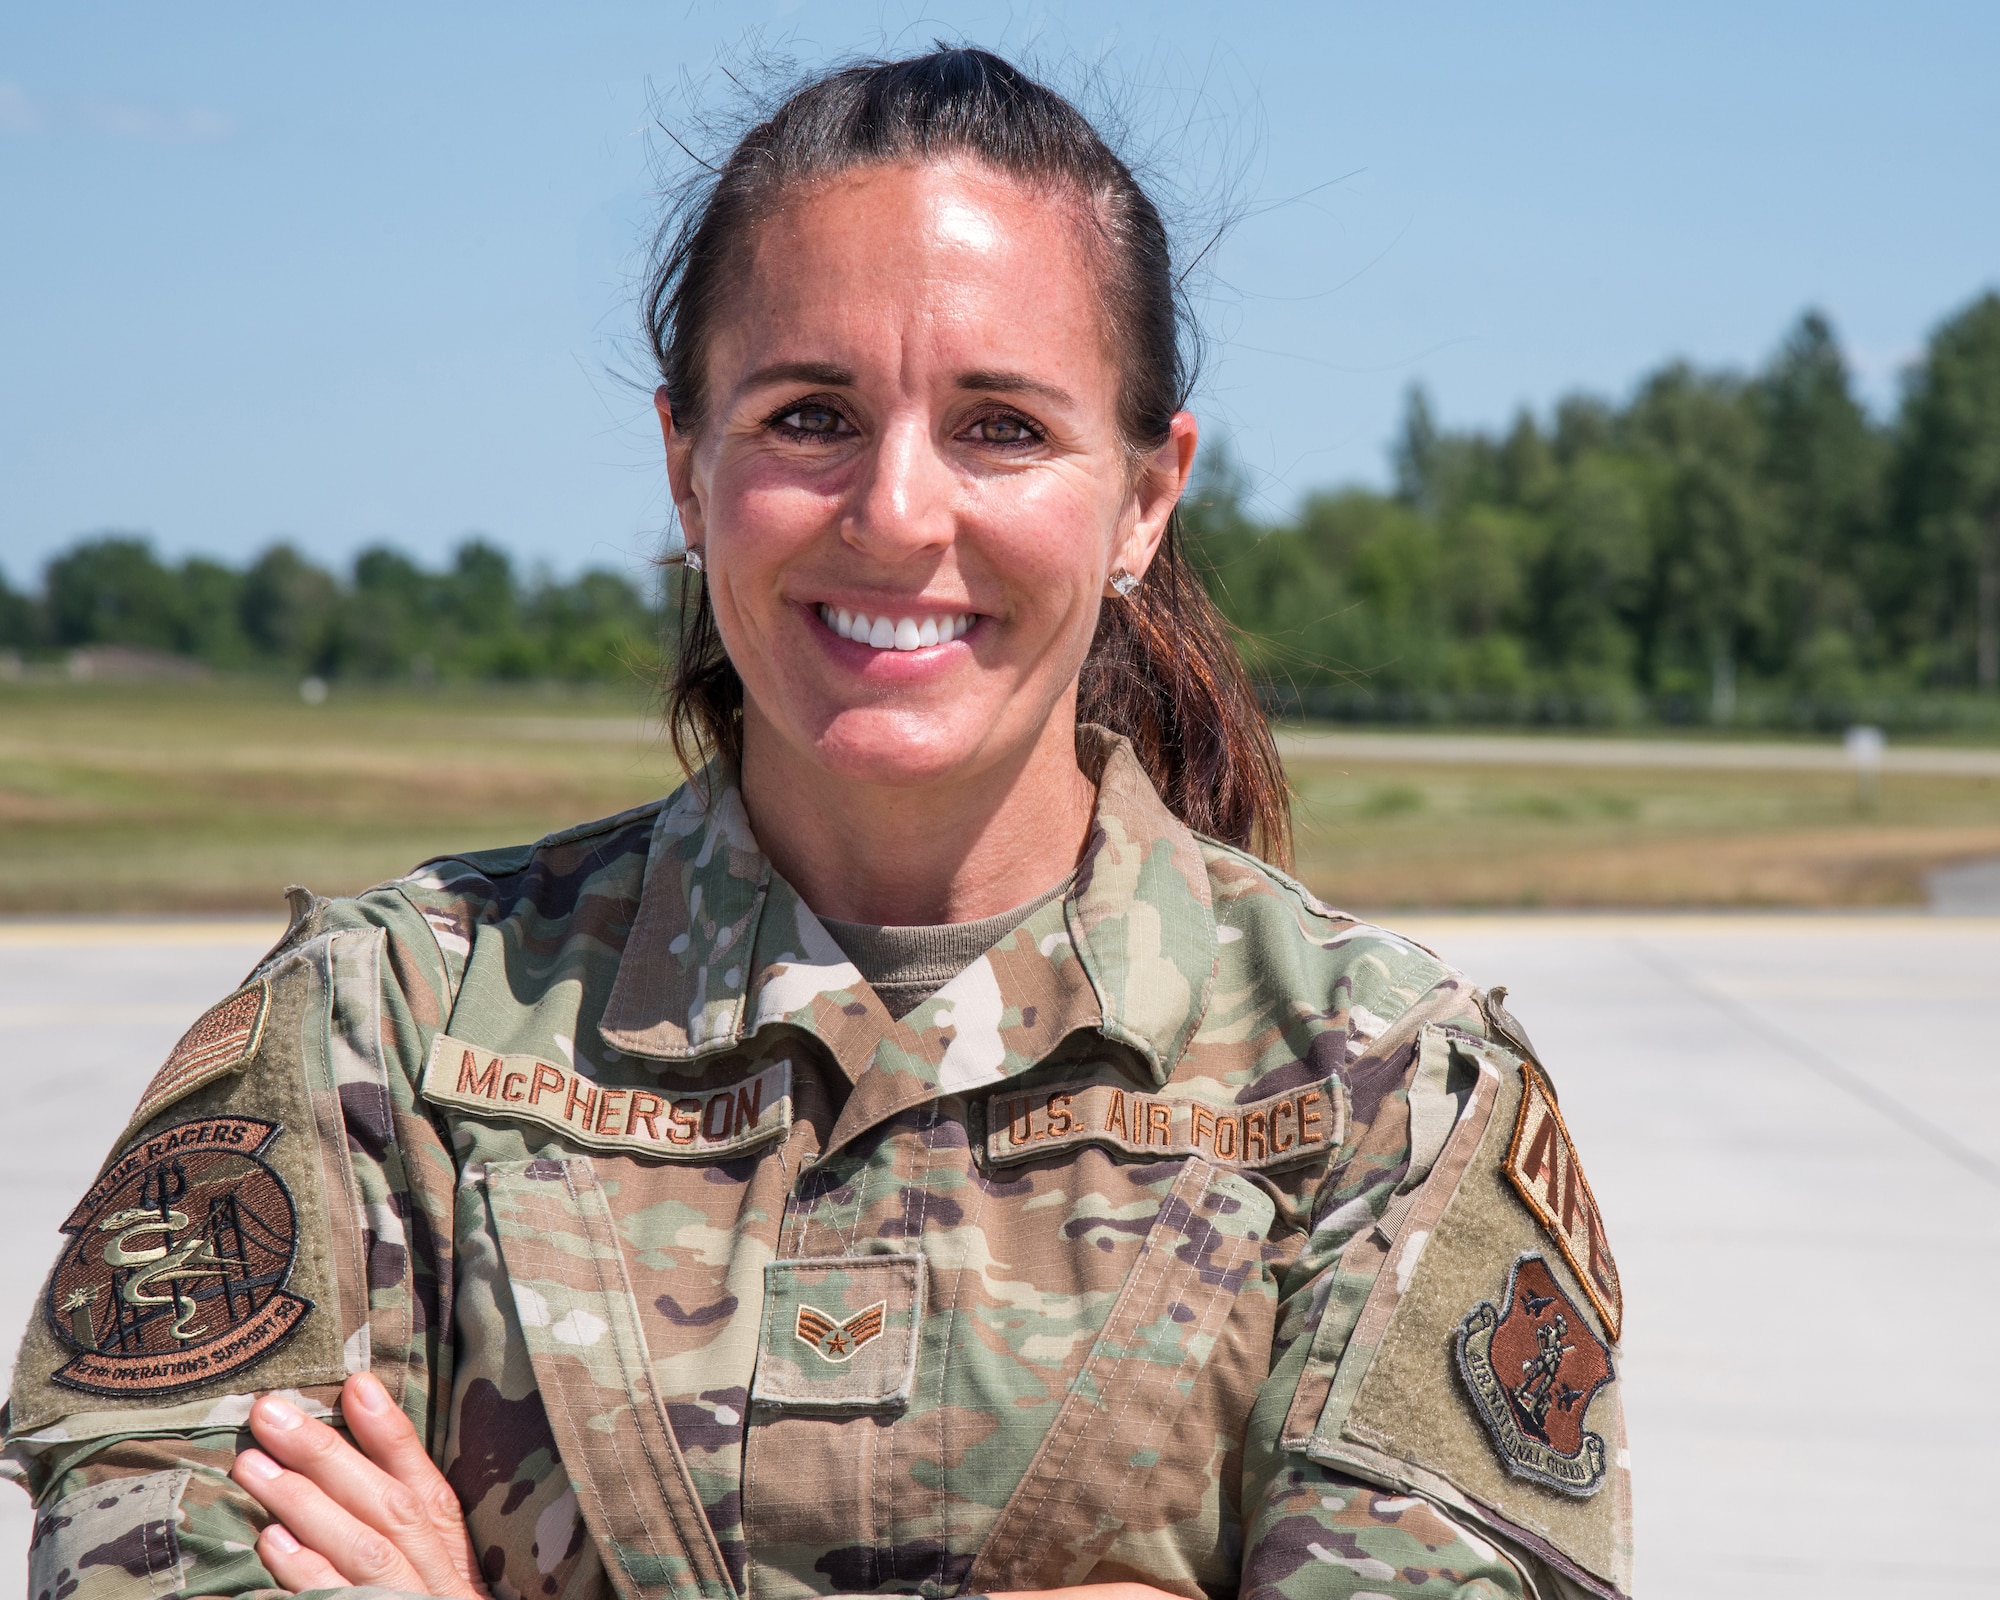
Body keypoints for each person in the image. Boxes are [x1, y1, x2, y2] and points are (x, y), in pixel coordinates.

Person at [4, 48, 1632, 1600]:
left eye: (1003, 426)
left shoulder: (1384, 1090)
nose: (898, 511)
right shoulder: (383, 1033)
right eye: (807, 417)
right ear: (684, 460)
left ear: (1144, 499)